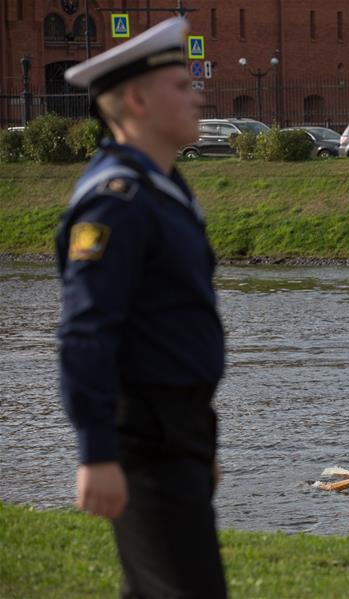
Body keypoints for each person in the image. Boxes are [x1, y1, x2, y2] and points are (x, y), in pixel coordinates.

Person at [57, 18, 227, 598]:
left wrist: (200, 441)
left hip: (178, 429)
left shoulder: (164, 185)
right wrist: (97, 453)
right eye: (182, 85)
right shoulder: (115, 201)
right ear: (136, 99)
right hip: (143, 437)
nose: (198, 94)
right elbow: (86, 332)